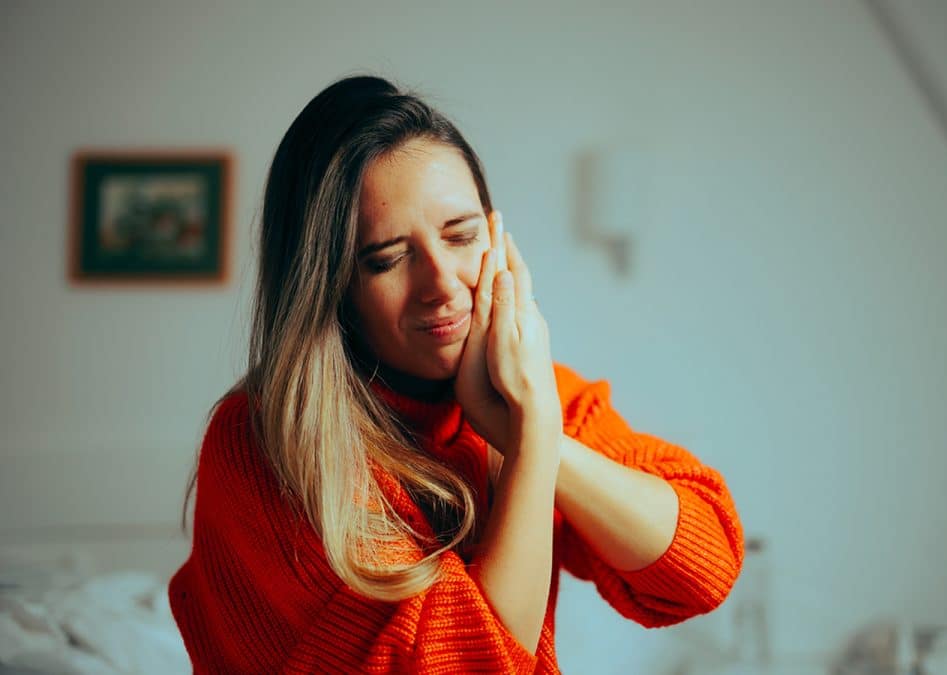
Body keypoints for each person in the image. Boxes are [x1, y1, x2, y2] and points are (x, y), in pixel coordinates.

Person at [168, 75, 744, 674]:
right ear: (330, 287)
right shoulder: (264, 445)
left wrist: (535, 431)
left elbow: (701, 570)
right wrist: (532, 442)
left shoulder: (525, 397)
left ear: (499, 241)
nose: (442, 285)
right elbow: (473, 665)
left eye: (462, 235)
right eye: (388, 258)